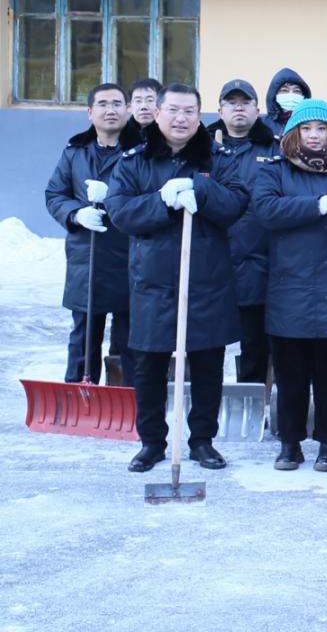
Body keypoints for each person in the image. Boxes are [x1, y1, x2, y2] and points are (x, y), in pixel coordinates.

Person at [105, 83, 248, 473]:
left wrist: (200, 188)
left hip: (207, 281)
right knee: (148, 365)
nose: (181, 118)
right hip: (152, 282)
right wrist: (161, 201)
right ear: (157, 113)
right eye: (173, 110)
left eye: (189, 111)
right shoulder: (135, 161)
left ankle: (202, 441)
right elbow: (120, 212)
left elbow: (236, 204)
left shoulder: (218, 158)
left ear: (199, 116)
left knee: (207, 365)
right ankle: (152, 442)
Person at [251, 99, 327, 471]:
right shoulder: (275, 171)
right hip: (290, 289)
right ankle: (290, 444)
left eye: (322, 129)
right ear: (294, 134)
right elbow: (265, 210)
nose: (314, 136)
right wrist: (314, 205)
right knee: (291, 376)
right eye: (306, 129)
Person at [45, 82, 141, 386]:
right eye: (102, 104)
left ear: (128, 110)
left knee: (130, 339)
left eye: (117, 104)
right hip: (86, 257)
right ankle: (77, 395)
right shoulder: (75, 152)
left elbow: (149, 195)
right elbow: (55, 194)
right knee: (83, 339)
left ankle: (129, 398)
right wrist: (76, 214)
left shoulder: (142, 151)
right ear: (90, 112)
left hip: (130, 255)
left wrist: (112, 197)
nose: (110, 110)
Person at [206, 78, 278, 385]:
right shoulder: (203, 147)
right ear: (220, 110)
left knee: (254, 341)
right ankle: (208, 397)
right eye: (231, 103)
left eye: (245, 102)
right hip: (212, 259)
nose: (238, 108)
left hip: (257, 259)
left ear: (257, 110)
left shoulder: (274, 148)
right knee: (208, 341)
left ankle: (252, 396)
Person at [265, 67, 312, 136]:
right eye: (284, 90)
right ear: (274, 95)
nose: (291, 95)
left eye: (296, 91)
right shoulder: (262, 124)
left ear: (304, 96)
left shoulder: (311, 123)